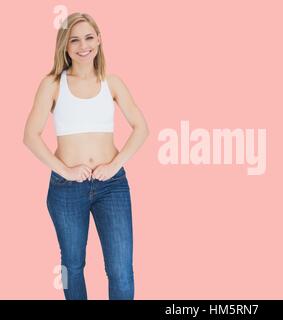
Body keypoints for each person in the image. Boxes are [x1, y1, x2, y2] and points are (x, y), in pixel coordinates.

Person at [23, 12, 149, 300]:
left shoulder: (112, 83)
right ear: (65, 47)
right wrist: (64, 170)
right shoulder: (52, 84)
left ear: (99, 39)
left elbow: (141, 128)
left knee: (121, 269)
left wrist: (115, 165)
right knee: (72, 266)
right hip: (66, 189)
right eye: (74, 40)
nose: (83, 46)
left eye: (89, 37)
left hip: (112, 186)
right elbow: (30, 135)